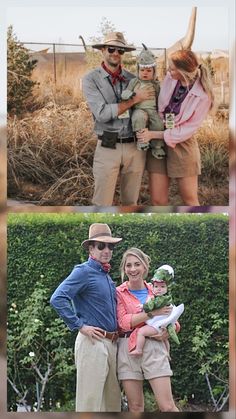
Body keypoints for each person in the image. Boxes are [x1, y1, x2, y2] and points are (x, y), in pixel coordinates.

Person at [50, 223, 123, 412]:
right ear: (91, 248)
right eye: (101, 246)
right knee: (90, 404)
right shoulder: (83, 271)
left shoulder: (105, 275)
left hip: (111, 344)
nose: (107, 250)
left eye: (110, 246)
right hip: (93, 343)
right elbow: (58, 298)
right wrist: (80, 326)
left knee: (111, 403)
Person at [82, 32, 154, 206]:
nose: (115, 53)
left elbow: (149, 105)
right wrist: (134, 99)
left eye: (120, 50)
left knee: (130, 203)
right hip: (108, 145)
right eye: (111, 48)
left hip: (134, 146)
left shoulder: (133, 78)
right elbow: (102, 114)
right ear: (103, 50)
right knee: (102, 203)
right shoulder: (91, 79)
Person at [137, 49, 215, 206]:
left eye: (172, 69)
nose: (168, 71)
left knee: (189, 200)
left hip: (182, 144)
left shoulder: (203, 96)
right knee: (158, 201)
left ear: (184, 71)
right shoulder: (170, 78)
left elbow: (187, 130)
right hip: (157, 145)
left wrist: (153, 135)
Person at [116, 248, 180, 412]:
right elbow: (123, 323)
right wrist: (151, 314)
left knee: (167, 406)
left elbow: (174, 320)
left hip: (154, 347)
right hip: (128, 348)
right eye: (128, 265)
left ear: (145, 267)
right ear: (124, 269)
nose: (133, 269)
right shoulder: (119, 293)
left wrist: (167, 331)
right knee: (135, 407)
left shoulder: (157, 289)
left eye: (137, 264)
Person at [129, 264, 184, 356]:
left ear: (167, 288)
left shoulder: (159, 299)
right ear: (152, 286)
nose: (159, 289)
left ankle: (139, 349)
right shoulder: (166, 298)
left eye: (162, 287)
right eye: (156, 287)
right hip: (163, 324)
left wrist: (143, 306)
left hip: (157, 324)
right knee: (165, 340)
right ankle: (167, 354)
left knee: (141, 332)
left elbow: (150, 306)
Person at [121, 44, 165, 158]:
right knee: (138, 118)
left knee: (158, 124)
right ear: (138, 70)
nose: (145, 73)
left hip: (153, 110)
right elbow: (125, 93)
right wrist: (130, 94)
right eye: (143, 70)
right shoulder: (134, 82)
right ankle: (142, 141)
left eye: (149, 70)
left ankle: (157, 147)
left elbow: (160, 98)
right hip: (139, 109)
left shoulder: (155, 84)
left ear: (153, 71)